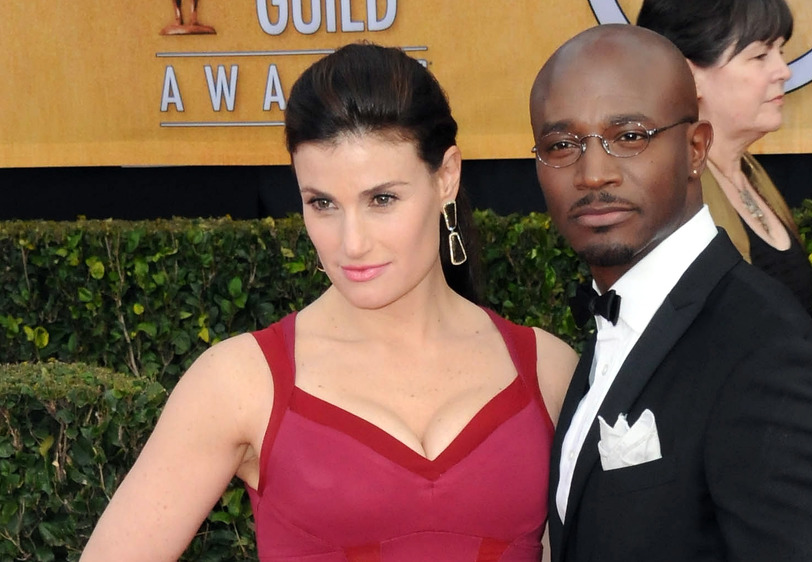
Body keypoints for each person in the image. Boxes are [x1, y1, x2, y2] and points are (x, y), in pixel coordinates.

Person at [82, 43, 577, 561]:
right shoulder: (239, 383)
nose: (352, 242)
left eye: (381, 199)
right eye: (322, 204)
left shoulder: (548, 370)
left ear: (446, 176)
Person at [530, 25, 812, 561]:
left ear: (695, 148)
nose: (593, 174)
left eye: (630, 137)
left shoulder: (772, 357)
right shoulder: (620, 327)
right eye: (562, 145)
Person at [636, 0, 812, 398]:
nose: (783, 70)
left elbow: (768, 330)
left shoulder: (747, 173)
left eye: (781, 51)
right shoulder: (672, 198)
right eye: (760, 54)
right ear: (687, 75)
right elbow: (694, 356)